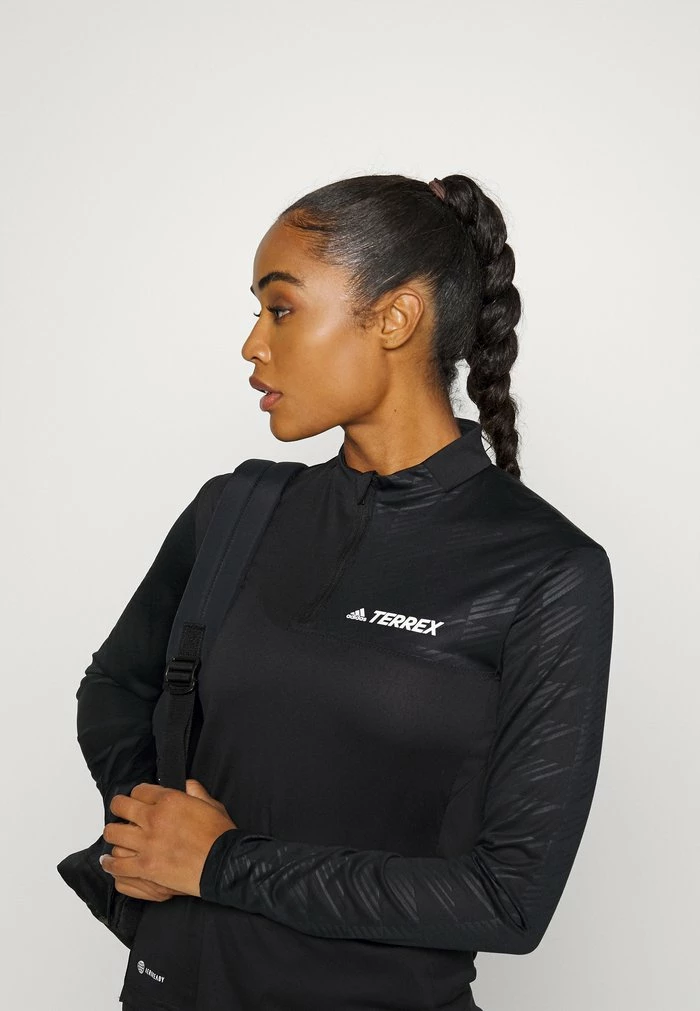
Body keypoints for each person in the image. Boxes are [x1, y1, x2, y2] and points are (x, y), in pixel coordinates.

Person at [76, 173, 615, 1011]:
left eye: (280, 308)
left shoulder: (545, 571)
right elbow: (116, 688)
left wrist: (221, 863)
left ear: (394, 318)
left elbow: (509, 900)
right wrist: (149, 826)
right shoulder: (236, 510)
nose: (252, 344)